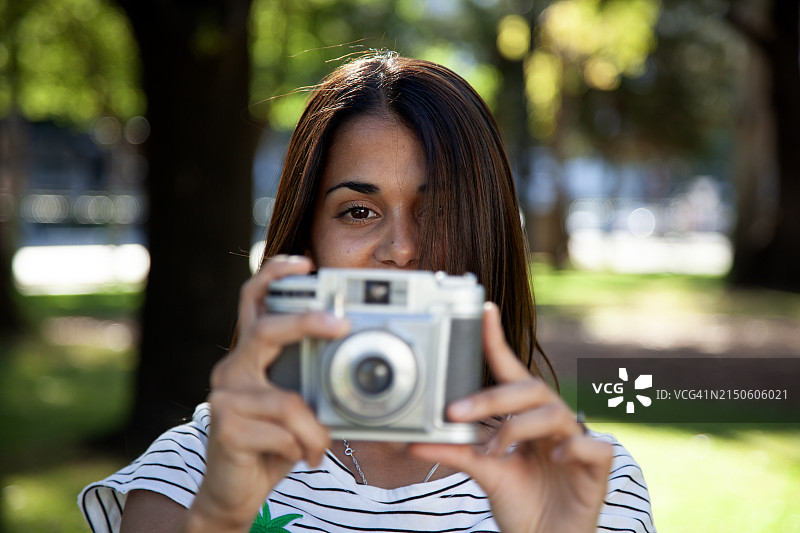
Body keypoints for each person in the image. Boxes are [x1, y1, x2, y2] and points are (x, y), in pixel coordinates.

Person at [80, 52, 654, 533]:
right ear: (308, 239)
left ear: (488, 230)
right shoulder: (194, 468)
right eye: (358, 210)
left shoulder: (586, 478)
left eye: (441, 211)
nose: (401, 248)